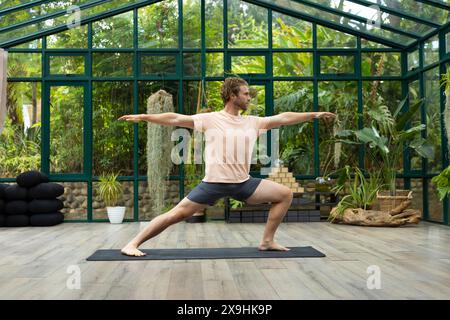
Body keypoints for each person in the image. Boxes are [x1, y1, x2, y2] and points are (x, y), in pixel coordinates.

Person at [118, 77, 335, 256]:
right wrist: (145, 116)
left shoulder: (253, 122)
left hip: (243, 183)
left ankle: (267, 241)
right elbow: (175, 118)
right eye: (246, 94)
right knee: (174, 215)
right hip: (213, 184)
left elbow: (283, 118)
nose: (249, 98)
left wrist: (314, 115)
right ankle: (132, 244)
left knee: (285, 194)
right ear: (233, 96)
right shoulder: (211, 119)